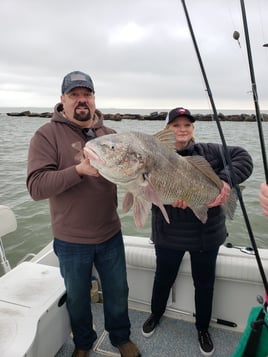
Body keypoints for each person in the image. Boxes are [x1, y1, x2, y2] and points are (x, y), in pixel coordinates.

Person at [26, 71, 141, 357]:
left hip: (110, 234)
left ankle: (120, 337)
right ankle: (83, 343)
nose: (82, 100)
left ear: (93, 99)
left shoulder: (111, 136)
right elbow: (36, 187)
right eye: (74, 95)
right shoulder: (46, 135)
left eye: (87, 94)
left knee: (118, 292)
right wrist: (77, 171)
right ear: (62, 100)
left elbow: (132, 176)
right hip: (71, 240)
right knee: (77, 298)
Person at [141, 107, 253, 356]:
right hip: (168, 234)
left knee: (204, 284)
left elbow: (244, 158)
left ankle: (203, 328)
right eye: (176, 125)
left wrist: (224, 183)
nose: (182, 130)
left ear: (193, 129)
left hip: (206, 235)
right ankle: (155, 314)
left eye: (187, 125)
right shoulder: (152, 156)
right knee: (163, 278)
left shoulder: (210, 152)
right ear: (166, 129)